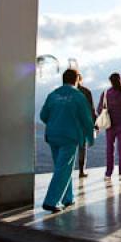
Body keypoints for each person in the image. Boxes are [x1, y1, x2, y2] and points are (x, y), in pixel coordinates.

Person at [40, 68, 95, 213]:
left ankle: (67, 198)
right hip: (69, 137)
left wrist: (54, 122)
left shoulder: (53, 94)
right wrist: (90, 137)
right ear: (77, 80)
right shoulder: (78, 96)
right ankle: (51, 201)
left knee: (62, 167)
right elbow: (86, 119)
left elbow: (43, 115)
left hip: (52, 136)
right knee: (63, 168)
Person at [76, 72, 96, 177]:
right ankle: (81, 171)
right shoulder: (86, 91)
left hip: (69, 124)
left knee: (69, 148)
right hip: (82, 124)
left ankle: (67, 171)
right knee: (82, 148)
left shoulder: (64, 93)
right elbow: (91, 109)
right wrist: (94, 123)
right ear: (80, 79)